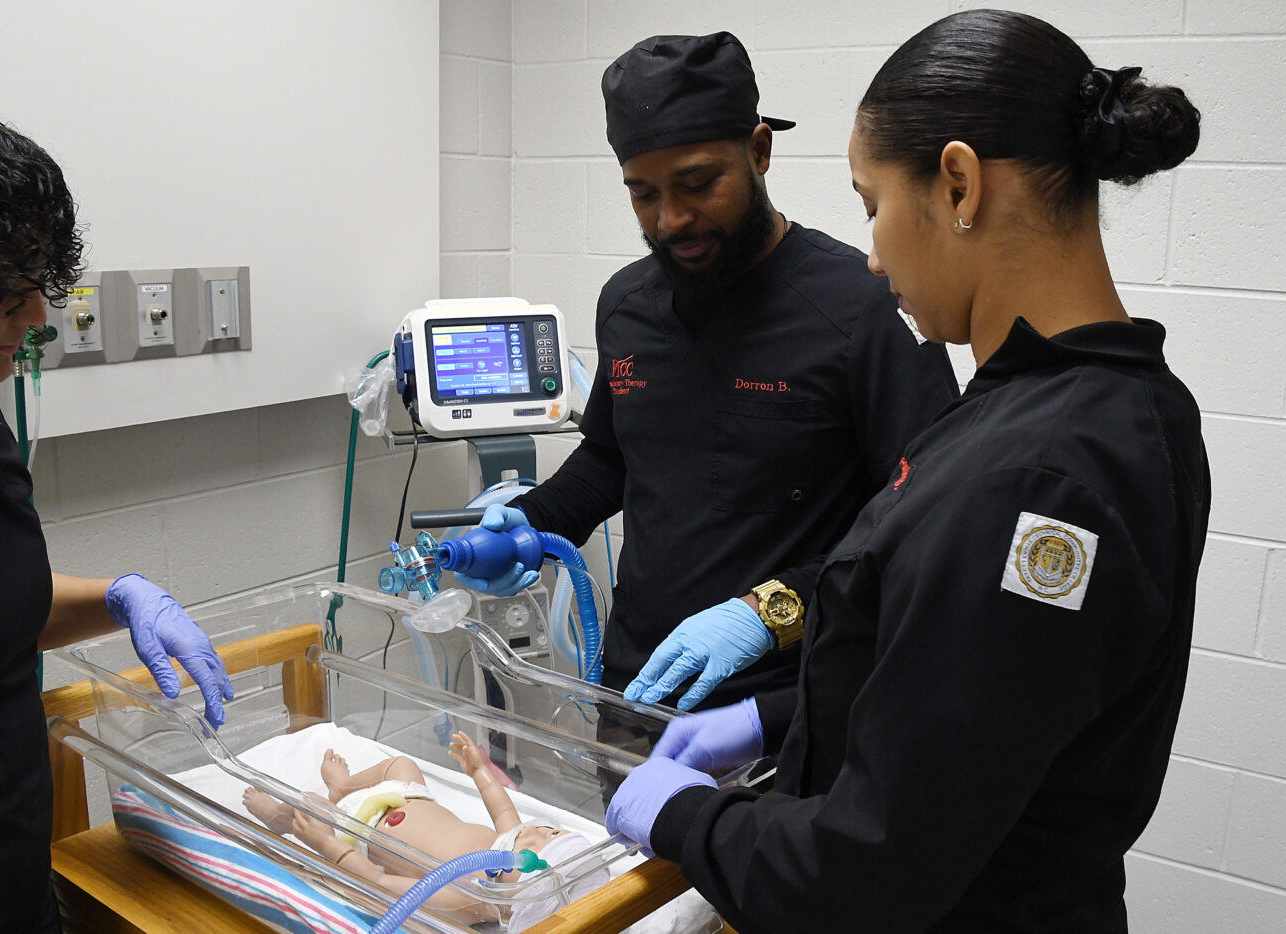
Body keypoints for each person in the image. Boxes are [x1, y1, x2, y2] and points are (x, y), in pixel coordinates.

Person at [603, 10, 1210, 932]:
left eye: (872, 204)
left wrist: (685, 816)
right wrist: (778, 718)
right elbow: (962, 696)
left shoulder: (1037, 479)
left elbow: (866, 875)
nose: (876, 254)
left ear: (959, 183)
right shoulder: (1091, 406)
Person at [458, 32, 957, 716]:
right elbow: (612, 457)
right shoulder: (628, 305)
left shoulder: (866, 307)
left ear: (758, 151)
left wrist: (766, 615)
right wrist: (528, 522)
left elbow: (922, 524)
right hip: (637, 691)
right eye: (643, 194)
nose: (671, 220)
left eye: (698, 184)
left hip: (787, 712)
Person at [0, 85, 235, 932]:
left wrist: (116, 595)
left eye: (36, 282)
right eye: (4, 290)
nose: (37, 317)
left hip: (6, 874)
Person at [242, 731, 608, 930]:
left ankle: (278, 816)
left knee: (307, 803)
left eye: (536, 850)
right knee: (402, 763)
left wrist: (327, 844)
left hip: (363, 830)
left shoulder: (466, 896)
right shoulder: (507, 842)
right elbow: (501, 805)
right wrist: (481, 772)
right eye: (550, 832)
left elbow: (380, 883)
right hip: (408, 799)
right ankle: (346, 786)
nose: (534, 834)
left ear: (511, 910)